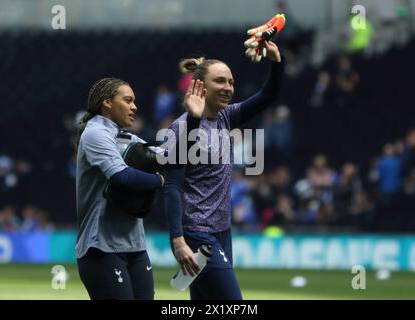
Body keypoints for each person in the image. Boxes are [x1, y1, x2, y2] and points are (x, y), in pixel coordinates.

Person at [163, 40, 284, 299]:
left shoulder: (225, 116)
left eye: (230, 82)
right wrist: (177, 239)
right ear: (200, 86)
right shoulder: (181, 128)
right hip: (197, 233)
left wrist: (275, 61)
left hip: (222, 231)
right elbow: (172, 185)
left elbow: (268, 96)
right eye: (220, 81)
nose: (228, 88)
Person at [75, 77, 205, 300]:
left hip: (135, 246)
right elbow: (121, 177)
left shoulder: (126, 137)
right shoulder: (95, 133)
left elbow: (175, 159)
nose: (134, 106)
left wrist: (193, 119)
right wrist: (160, 182)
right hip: (101, 248)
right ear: (107, 103)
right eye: (128, 100)